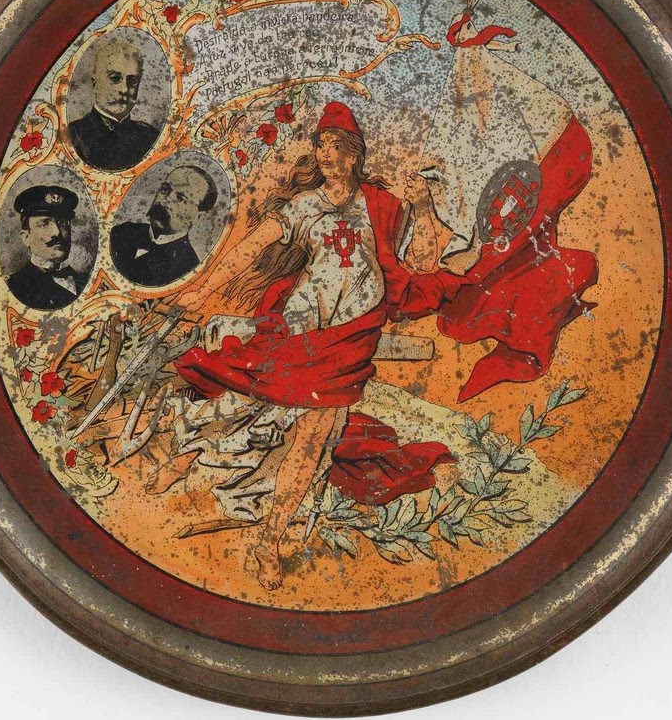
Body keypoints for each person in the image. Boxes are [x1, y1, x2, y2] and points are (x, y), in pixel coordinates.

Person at [175, 101, 459, 589]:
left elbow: (423, 263)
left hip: (350, 340)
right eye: (321, 145)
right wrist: (202, 290)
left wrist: (422, 207)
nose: (327, 155)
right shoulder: (305, 206)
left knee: (312, 438)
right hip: (299, 329)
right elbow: (252, 248)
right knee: (239, 390)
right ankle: (183, 457)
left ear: (355, 154)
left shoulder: (381, 205)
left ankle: (269, 538)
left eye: (337, 147)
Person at [111, 164, 219, 287]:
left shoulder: (187, 271)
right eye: (165, 189)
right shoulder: (122, 231)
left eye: (180, 198)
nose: (165, 201)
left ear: (198, 217)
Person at [68, 37, 159, 171]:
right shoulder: (73, 134)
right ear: (94, 84)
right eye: (115, 78)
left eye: (132, 81)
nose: (124, 89)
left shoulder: (150, 136)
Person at [6, 186, 88, 310]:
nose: (57, 232)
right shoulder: (14, 287)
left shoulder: (85, 281)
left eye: (62, 223)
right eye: (44, 224)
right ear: (26, 237)